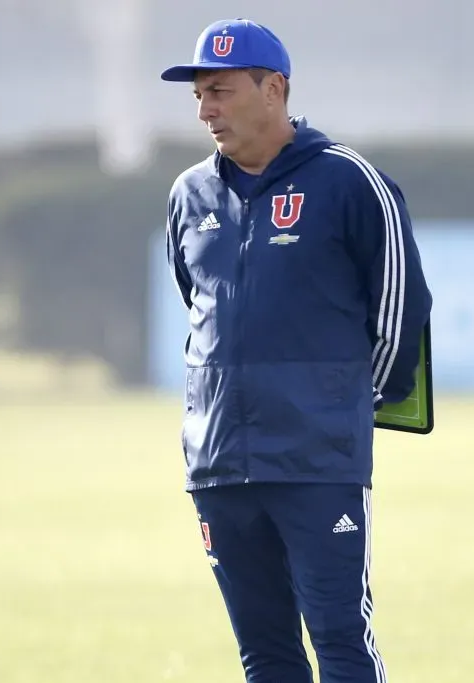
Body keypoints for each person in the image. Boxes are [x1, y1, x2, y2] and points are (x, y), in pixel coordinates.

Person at [160, 18, 432, 683]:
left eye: (220, 91)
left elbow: (403, 310)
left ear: (273, 88)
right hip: (220, 469)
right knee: (266, 657)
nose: (205, 109)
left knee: (341, 644)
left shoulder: (349, 181)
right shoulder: (188, 194)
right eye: (199, 94)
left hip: (318, 464)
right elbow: (199, 311)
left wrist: (340, 409)